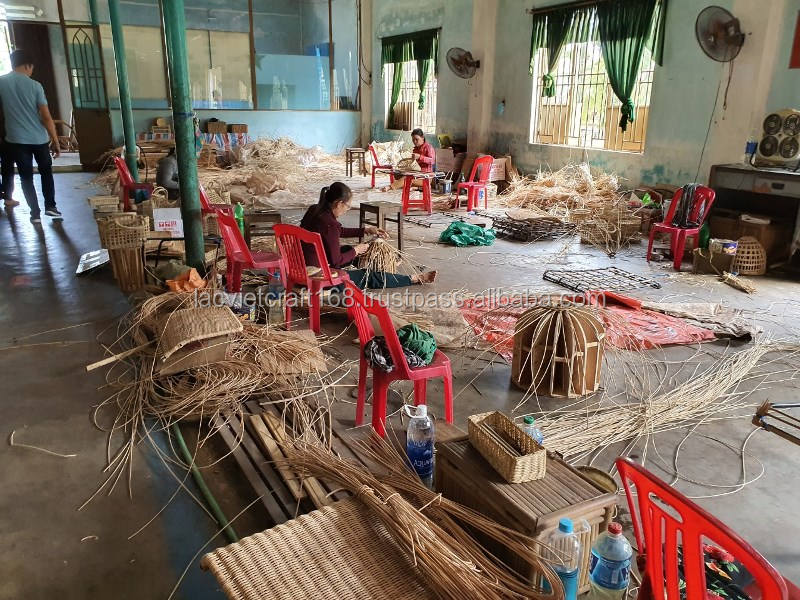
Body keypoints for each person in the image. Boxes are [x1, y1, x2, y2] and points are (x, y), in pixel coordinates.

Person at [300, 182, 436, 289]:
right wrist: (356, 250)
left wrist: (366, 230)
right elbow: (336, 262)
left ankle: (383, 267)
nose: (347, 210)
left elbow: (338, 232)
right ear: (339, 203)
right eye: (347, 206)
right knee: (369, 276)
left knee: (347, 249)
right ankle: (413, 279)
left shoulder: (315, 210)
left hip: (300, 264)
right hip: (319, 278)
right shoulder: (330, 224)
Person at [0, 49, 60, 223]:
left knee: (26, 177)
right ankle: (51, 207)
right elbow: (46, 117)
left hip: (15, 139)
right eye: (32, 68)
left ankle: (35, 214)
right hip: (39, 139)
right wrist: (55, 140)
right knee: (46, 173)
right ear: (28, 66)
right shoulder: (35, 86)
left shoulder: (2, 82)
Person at [382, 128, 435, 192]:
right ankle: (416, 187)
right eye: (413, 140)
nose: (414, 141)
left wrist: (420, 157)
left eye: (416, 139)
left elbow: (432, 161)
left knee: (407, 178)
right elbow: (415, 165)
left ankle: (390, 187)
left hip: (425, 177)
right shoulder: (415, 149)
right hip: (417, 174)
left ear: (422, 138)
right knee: (397, 175)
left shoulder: (428, 147)